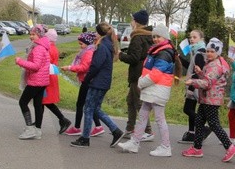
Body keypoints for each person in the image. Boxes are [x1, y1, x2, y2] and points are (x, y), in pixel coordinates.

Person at [118, 24, 180, 156]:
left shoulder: (164, 52)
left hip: (157, 89)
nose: (156, 39)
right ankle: (134, 143)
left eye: (158, 36)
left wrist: (141, 82)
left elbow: (156, 74)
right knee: (142, 117)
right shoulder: (159, 50)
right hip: (153, 89)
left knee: (159, 119)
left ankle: (165, 146)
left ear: (165, 37)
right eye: (154, 36)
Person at [181, 38, 235, 162]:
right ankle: (197, 148)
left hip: (211, 99)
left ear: (217, 52)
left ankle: (230, 147)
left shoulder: (216, 66)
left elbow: (207, 83)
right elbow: (209, 79)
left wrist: (193, 81)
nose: (208, 53)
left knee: (214, 124)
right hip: (207, 98)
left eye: (212, 51)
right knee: (199, 121)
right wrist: (200, 72)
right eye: (207, 51)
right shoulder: (213, 63)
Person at [70, 23, 124, 148]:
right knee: (95, 109)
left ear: (99, 33)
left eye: (95, 32)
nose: (94, 34)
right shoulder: (108, 45)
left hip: (98, 82)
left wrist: (87, 79)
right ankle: (116, 131)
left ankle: (85, 138)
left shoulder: (102, 47)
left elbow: (95, 66)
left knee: (88, 109)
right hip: (104, 82)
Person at [118, 9, 154, 141]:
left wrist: (120, 55)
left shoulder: (137, 37)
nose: (131, 22)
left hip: (137, 74)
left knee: (138, 102)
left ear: (136, 22)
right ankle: (130, 128)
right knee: (131, 101)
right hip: (145, 73)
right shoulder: (150, 35)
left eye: (132, 19)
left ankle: (148, 131)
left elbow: (134, 58)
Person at [15, 25, 51, 140]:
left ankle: (30, 128)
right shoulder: (42, 46)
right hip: (42, 81)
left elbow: (35, 66)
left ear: (39, 35)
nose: (31, 37)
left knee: (23, 102)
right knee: (38, 105)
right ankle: (38, 130)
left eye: (33, 34)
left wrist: (20, 62)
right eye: (30, 34)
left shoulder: (38, 48)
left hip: (36, 80)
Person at [61, 31, 101, 136]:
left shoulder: (88, 52)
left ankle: (77, 127)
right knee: (88, 104)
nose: (80, 46)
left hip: (87, 81)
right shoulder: (88, 50)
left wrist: (70, 68)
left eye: (81, 44)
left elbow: (84, 67)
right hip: (87, 80)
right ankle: (98, 126)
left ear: (87, 43)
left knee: (80, 104)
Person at [178, 29, 207, 144]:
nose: (191, 39)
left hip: (194, 86)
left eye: (194, 37)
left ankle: (203, 127)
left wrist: (191, 86)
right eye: (190, 37)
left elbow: (198, 73)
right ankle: (191, 133)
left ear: (201, 39)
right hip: (194, 85)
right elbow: (190, 66)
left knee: (187, 109)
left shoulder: (200, 53)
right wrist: (179, 57)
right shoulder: (196, 52)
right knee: (191, 108)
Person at [41, 28, 72, 134]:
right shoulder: (53, 47)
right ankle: (38, 123)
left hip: (47, 77)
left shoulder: (48, 48)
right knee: (43, 101)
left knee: (44, 101)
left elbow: (45, 62)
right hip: (51, 75)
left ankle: (63, 119)